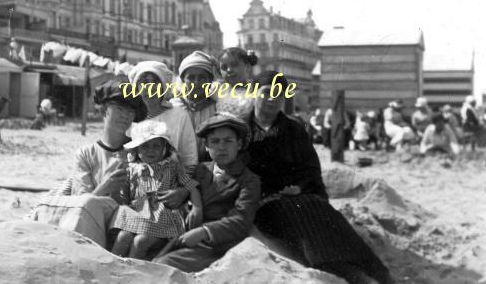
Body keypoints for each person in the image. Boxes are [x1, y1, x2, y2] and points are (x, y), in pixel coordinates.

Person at [245, 71, 392, 284]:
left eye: (278, 94)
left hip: (300, 194)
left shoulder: (294, 130)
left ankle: (378, 272)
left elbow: (311, 169)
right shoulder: (240, 130)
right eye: (266, 92)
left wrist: (299, 186)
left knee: (328, 215)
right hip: (263, 202)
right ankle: (349, 274)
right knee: (304, 225)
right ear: (253, 93)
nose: (271, 99)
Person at [30, 75, 150, 248]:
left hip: (121, 228)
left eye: (130, 111)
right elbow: (80, 202)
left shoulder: (138, 152)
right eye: (120, 108)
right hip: (87, 222)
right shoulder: (86, 154)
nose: (125, 116)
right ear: (103, 111)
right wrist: (106, 186)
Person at [153, 113, 261, 273]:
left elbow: (241, 220)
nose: (221, 147)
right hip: (184, 236)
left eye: (228, 141)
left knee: (165, 265)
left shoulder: (249, 180)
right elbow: (186, 193)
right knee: (151, 259)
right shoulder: (200, 170)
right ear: (206, 146)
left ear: (239, 144)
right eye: (215, 142)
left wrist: (204, 232)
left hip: (218, 245)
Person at [110, 120, 202, 260]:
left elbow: (191, 186)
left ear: (165, 148)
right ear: (137, 149)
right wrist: (116, 189)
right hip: (137, 214)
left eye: (156, 146)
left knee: (140, 241)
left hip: (162, 217)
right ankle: (110, 267)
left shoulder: (172, 166)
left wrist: (197, 207)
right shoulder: (131, 170)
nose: (151, 150)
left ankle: (132, 274)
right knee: (123, 237)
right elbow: (123, 197)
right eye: (145, 146)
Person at [128, 61, 198, 175]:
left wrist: (182, 189)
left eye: (156, 82)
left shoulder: (179, 115)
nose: (150, 88)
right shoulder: (129, 117)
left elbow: (190, 159)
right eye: (144, 82)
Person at [171, 50, 218, 161]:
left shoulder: (218, 108)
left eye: (201, 77)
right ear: (183, 80)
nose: (196, 82)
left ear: (210, 80)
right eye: (191, 78)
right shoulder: (173, 107)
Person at [215, 47, 258, 119]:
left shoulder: (255, 91)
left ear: (247, 67)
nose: (229, 70)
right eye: (224, 67)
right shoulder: (218, 90)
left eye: (234, 65)